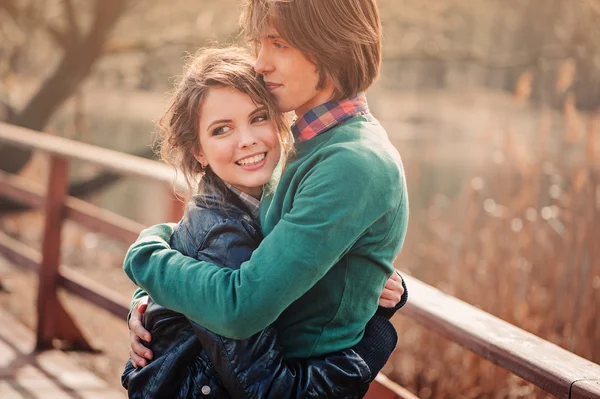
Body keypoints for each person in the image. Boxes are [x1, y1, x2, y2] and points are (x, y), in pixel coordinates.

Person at [125, 0, 409, 394]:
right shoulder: (310, 144)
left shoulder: (351, 162)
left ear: (330, 44)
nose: (260, 63)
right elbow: (237, 236)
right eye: (260, 44)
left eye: (278, 44)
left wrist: (147, 260)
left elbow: (241, 306)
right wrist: (151, 293)